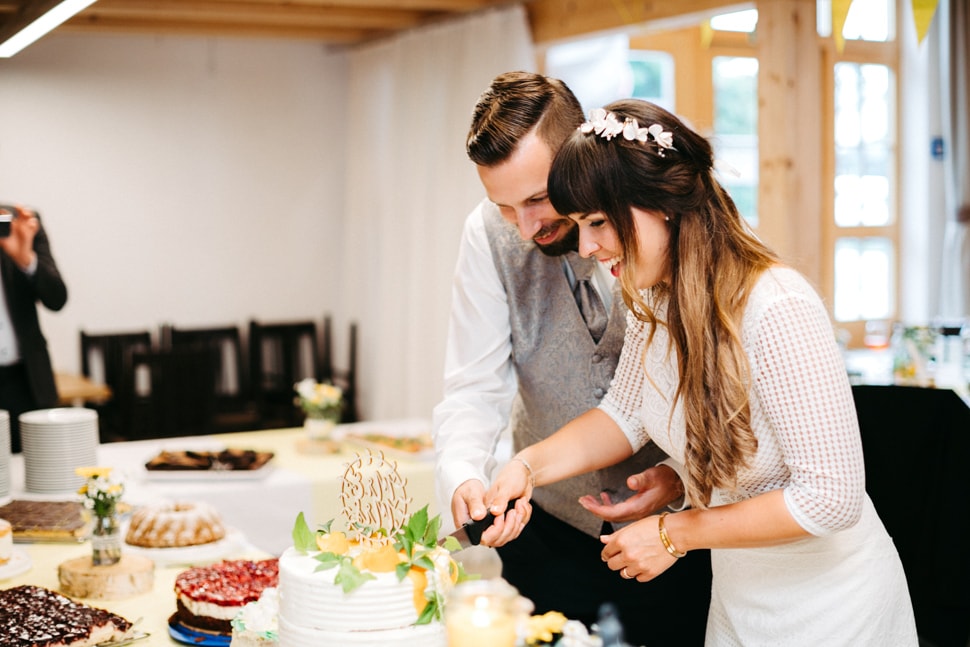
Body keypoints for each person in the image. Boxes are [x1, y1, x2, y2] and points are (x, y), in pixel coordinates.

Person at [484, 99, 919, 645]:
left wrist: (675, 531)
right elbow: (622, 416)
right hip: (740, 601)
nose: (588, 246)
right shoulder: (654, 302)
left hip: (834, 609)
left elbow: (829, 497)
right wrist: (526, 467)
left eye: (597, 222)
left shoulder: (776, 305)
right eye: (578, 225)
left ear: (660, 202)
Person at [432, 73, 711, 645]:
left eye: (538, 197)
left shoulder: (660, 229)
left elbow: (712, 395)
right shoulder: (487, 237)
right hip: (551, 530)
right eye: (506, 207)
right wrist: (464, 473)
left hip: (673, 535)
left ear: (581, 152)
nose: (527, 227)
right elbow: (473, 387)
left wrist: (680, 479)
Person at [0, 204, 68, 453]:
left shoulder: (20, 223)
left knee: (39, 464)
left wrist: (25, 259)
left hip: (23, 380)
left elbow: (57, 299)